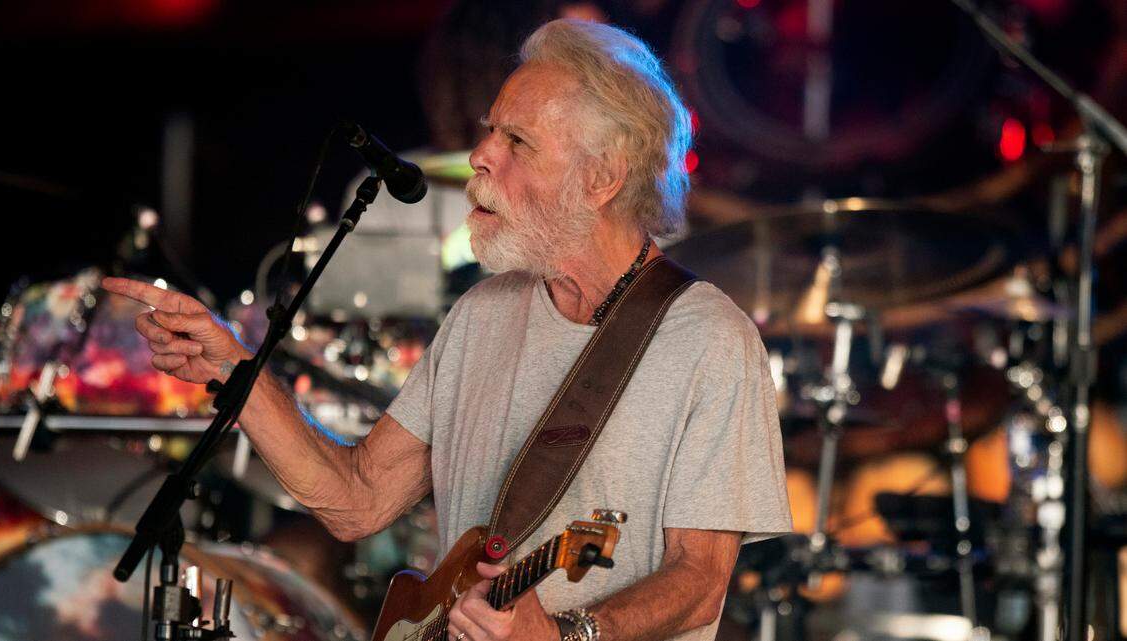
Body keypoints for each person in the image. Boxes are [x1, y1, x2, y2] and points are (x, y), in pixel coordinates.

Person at [103, 19, 790, 641]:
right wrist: (235, 369)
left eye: (516, 140)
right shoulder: (481, 313)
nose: (481, 155)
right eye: (491, 130)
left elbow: (700, 579)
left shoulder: (708, 339)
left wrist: (569, 635)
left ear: (602, 177)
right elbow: (357, 497)